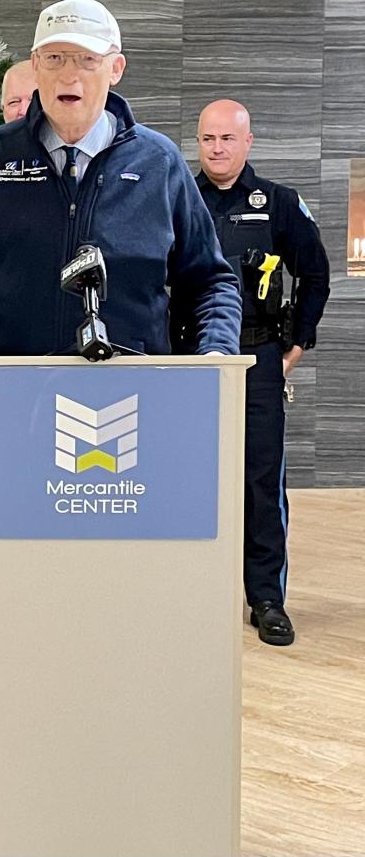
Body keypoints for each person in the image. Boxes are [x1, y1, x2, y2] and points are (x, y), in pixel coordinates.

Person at [0, 0, 241, 403]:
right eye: (55, 58)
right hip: (8, 399)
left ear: (115, 68)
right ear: (34, 65)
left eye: (86, 59)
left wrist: (216, 352)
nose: (69, 76)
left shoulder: (159, 162)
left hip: (134, 402)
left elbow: (211, 281)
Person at [192, 99, 330, 646]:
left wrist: (296, 341)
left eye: (227, 138)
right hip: (190, 361)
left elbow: (315, 275)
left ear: (248, 142)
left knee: (259, 480)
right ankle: (192, 590)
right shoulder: (181, 199)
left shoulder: (277, 204)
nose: (217, 148)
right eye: (207, 139)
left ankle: (266, 599)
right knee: (189, 477)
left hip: (257, 360)